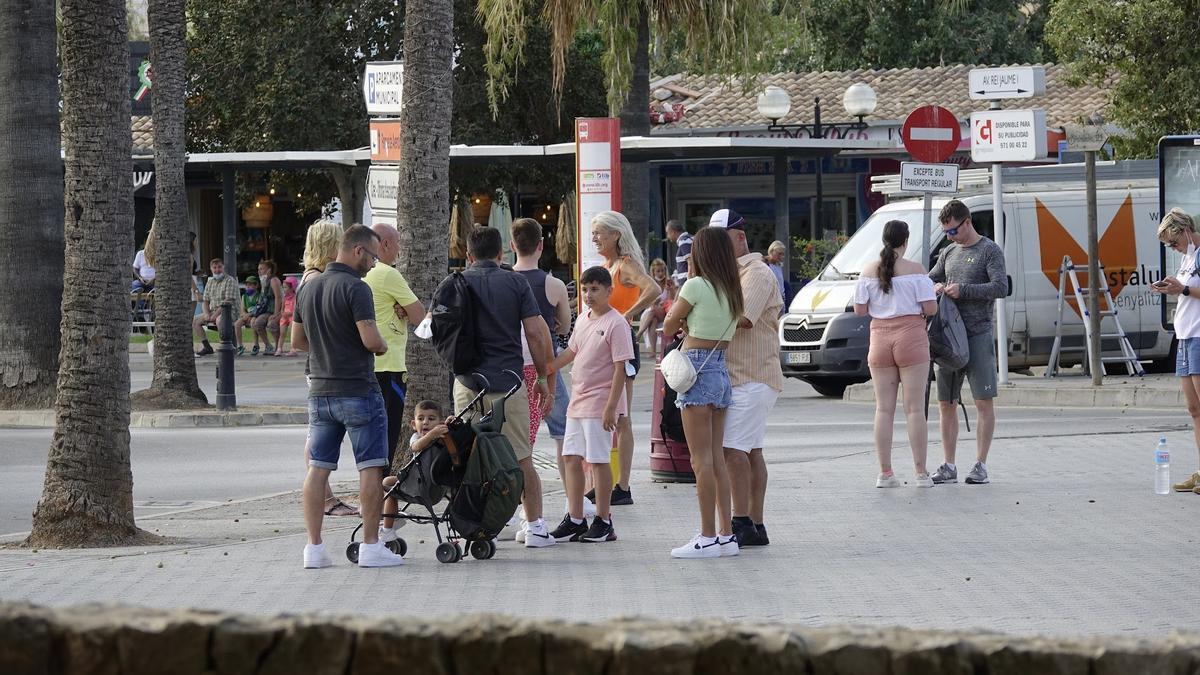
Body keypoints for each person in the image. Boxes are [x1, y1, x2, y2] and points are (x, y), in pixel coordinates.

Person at [291, 224, 403, 569]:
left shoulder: (307, 289)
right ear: (357, 251)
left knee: (318, 468)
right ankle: (370, 546)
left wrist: (326, 348)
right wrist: (382, 344)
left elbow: (297, 342)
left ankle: (314, 548)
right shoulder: (357, 288)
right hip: (357, 389)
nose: (373, 263)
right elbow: (370, 340)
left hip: (320, 391)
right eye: (371, 256)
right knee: (370, 466)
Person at [451, 226, 556, 548]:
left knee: (468, 457)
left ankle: (470, 523)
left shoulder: (455, 283)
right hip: (507, 383)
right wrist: (542, 378)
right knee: (521, 456)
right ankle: (535, 526)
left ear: (468, 255)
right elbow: (537, 334)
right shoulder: (515, 282)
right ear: (501, 254)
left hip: (467, 383)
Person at [662, 225, 743, 559]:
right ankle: (726, 535)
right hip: (721, 369)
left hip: (696, 368)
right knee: (717, 459)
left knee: (700, 462)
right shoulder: (732, 290)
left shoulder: (695, 285)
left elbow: (668, 325)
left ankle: (707, 536)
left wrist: (683, 324)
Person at [547, 266, 635, 543]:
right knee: (571, 457)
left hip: (600, 401)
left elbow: (622, 368)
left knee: (598, 461)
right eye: (585, 289)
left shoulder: (616, 323)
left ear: (609, 291)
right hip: (578, 399)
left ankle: (604, 520)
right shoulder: (583, 319)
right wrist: (546, 368)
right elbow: (572, 352)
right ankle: (575, 518)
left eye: (595, 289)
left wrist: (612, 407)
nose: (589, 294)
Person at [712, 210, 783, 547]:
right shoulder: (728, 274)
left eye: (720, 241)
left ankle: (740, 521)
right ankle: (756, 524)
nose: (715, 248)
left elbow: (742, 318)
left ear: (739, 237)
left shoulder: (756, 273)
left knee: (731, 451)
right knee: (751, 451)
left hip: (752, 374)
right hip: (741, 375)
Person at [853, 220, 938, 489]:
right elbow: (931, 308)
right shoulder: (916, 270)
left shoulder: (868, 271)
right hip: (911, 336)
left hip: (879, 338)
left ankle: (885, 473)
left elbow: (859, 310)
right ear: (905, 240)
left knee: (883, 409)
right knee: (914, 409)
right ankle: (921, 473)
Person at [928, 199, 1007, 485]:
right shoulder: (948, 252)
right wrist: (934, 286)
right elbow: (929, 278)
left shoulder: (989, 250)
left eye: (953, 231)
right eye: (946, 232)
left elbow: (1001, 287)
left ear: (967, 222)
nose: (950, 237)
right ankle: (948, 464)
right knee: (945, 402)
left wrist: (965, 290)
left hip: (977, 333)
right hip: (947, 336)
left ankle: (980, 464)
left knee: (983, 401)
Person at [509, 218, 575, 526]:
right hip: (545, 367)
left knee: (521, 440)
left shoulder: (504, 280)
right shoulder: (554, 285)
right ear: (542, 245)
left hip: (511, 368)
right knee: (563, 432)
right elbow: (564, 324)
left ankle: (519, 508)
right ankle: (572, 495)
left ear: (512, 246)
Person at [592, 211, 660, 506]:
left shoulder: (625, 266)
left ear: (616, 235)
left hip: (620, 342)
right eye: (593, 232)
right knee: (604, 414)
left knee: (621, 416)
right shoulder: (606, 267)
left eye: (599, 233)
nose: (595, 238)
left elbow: (653, 289)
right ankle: (607, 481)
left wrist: (626, 315)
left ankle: (622, 485)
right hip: (603, 345)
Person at [299, 220, 358, 518]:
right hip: (323, 367)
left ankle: (325, 496)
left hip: (319, 365)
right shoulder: (315, 280)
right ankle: (324, 498)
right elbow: (303, 337)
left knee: (318, 435)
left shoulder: (313, 277)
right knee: (317, 438)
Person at [364, 223, 425, 466]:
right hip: (389, 365)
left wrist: (400, 308)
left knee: (371, 437)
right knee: (387, 437)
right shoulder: (388, 274)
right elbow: (420, 315)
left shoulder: (362, 274)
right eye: (397, 243)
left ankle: (371, 492)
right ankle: (381, 496)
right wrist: (406, 310)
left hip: (368, 366)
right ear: (385, 244)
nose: (399, 249)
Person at [1151, 210, 1200, 494]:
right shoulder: (1186, 258)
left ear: (1184, 231)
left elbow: (1190, 290)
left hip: (1198, 335)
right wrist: (1173, 288)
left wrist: (1182, 290)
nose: (1173, 248)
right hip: (1185, 336)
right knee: (1194, 409)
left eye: (1173, 242)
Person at [379, 400, 450, 544]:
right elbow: (415, 446)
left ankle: (388, 530)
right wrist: (434, 434)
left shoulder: (438, 438)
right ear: (413, 424)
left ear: (440, 423)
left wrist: (448, 425)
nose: (425, 423)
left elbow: (418, 447)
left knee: (388, 486)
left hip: (421, 488)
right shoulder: (416, 438)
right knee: (388, 481)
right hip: (430, 487)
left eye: (431, 419)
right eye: (421, 419)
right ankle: (394, 517)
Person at [192, 259, 242, 357]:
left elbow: (228, 301)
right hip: (213, 311)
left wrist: (214, 315)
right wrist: (207, 313)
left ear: (223, 267)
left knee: (220, 320)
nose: (217, 270)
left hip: (230, 311)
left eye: (219, 267)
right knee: (195, 321)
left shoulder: (230, 280)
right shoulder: (210, 282)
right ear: (211, 269)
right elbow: (205, 301)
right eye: (214, 268)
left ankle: (224, 347)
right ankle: (207, 347)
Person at [637, 258, 675, 359]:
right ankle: (653, 351)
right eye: (658, 271)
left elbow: (672, 300)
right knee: (653, 320)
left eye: (662, 270)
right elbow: (647, 302)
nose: (661, 273)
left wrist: (670, 289)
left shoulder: (668, 282)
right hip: (654, 312)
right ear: (653, 272)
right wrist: (655, 302)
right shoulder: (651, 284)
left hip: (665, 312)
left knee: (653, 310)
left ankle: (639, 333)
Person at [252, 260, 284, 356]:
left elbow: (278, 297)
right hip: (266, 310)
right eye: (258, 269)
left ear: (269, 270)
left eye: (261, 269)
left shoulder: (274, 280)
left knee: (272, 324)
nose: (259, 271)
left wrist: (275, 314)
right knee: (257, 323)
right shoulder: (264, 281)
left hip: (274, 309)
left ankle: (278, 346)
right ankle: (268, 346)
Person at [234, 276, 260, 355]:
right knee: (237, 324)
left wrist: (249, 315)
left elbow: (258, 307)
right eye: (247, 285)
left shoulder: (259, 295)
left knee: (253, 323)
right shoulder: (244, 296)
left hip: (254, 315)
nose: (248, 287)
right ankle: (240, 345)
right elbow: (242, 309)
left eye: (251, 285)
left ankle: (256, 344)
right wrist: (244, 315)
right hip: (246, 316)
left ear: (256, 285)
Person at [666, 219, 693, 288]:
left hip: (687, 284)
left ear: (673, 232)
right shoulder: (689, 238)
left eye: (668, 233)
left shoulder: (683, 241)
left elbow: (691, 262)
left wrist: (689, 281)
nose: (668, 237)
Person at [276, 277, 298, 356]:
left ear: (292, 288)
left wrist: (290, 314)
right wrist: (282, 313)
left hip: (292, 316)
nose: (284, 289)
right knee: (282, 333)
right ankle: (279, 348)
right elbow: (282, 309)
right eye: (283, 287)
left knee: (292, 333)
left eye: (285, 287)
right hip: (284, 316)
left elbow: (296, 309)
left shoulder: (296, 297)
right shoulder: (284, 298)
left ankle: (293, 349)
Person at [766, 240, 788, 307]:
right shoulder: (765, 265)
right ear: (772, 251)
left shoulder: (778, 266)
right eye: (779, 254)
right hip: (770, 301)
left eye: (783, 254)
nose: (781, 256)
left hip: (780, 300)